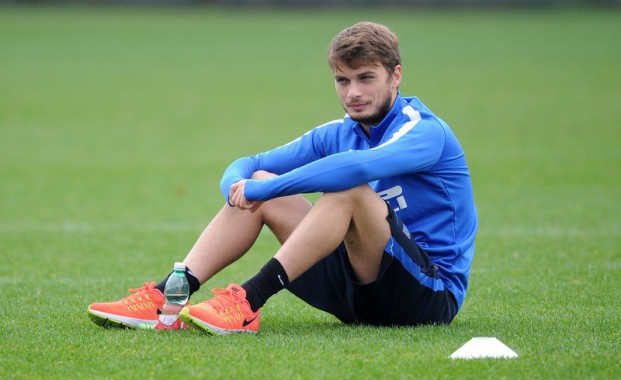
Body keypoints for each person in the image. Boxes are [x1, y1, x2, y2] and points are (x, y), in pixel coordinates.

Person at [87, 21, 478, 334]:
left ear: (395, 76)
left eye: (366, 78)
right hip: (357, 292)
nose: (353, 93)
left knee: (347, 190)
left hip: (428, 296)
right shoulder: (340, 131)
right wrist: (238, 189)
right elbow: (250, 163)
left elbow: (356, 170)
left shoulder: (426, 131)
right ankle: (168, 298)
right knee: (263, 178)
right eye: (342, 80)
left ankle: (247, 302)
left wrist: (266, 188)